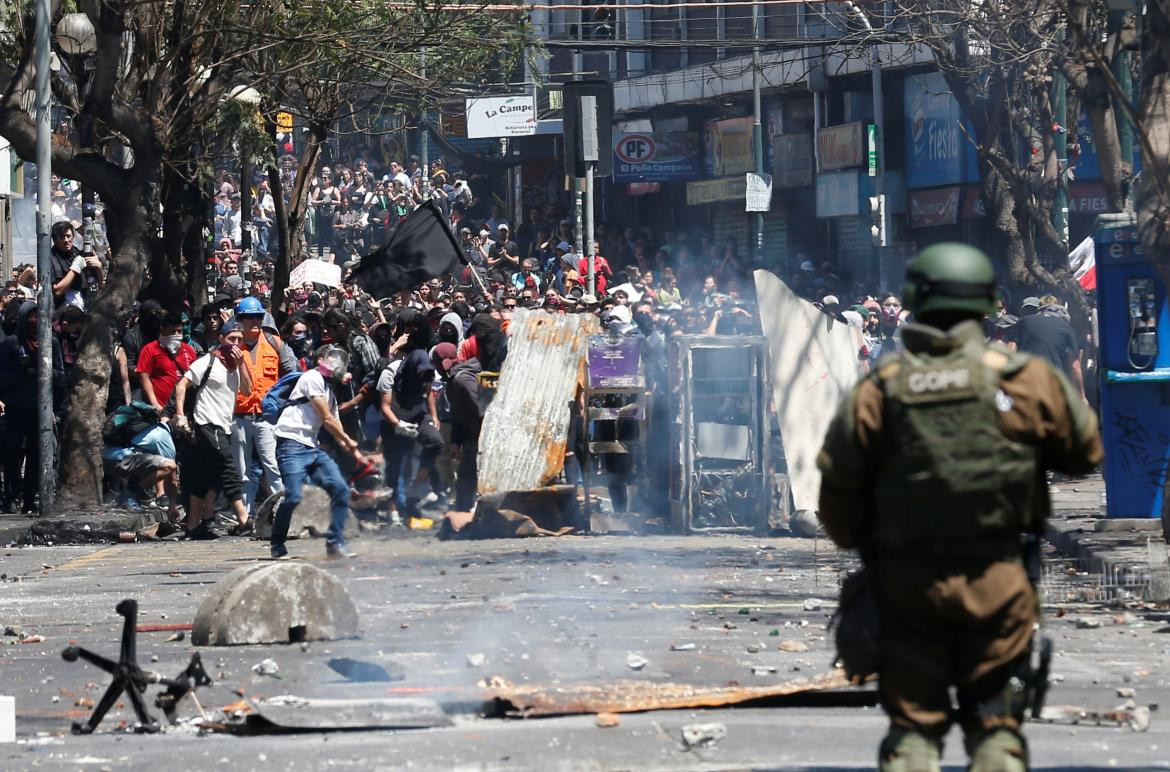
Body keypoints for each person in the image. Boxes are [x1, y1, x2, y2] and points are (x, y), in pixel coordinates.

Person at [816, 243, 1103, 772]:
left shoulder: (880, 389)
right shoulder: (1023, 379)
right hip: (999, 579)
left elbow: (836, 506)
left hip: (906, 586)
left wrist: (877, 543)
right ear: (989, 306)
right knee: (996, 731)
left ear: (912, 302)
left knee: (913, 734)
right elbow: (1085, 454)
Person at [270, 346, 367, 559]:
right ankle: (277, 543)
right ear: (321, 360)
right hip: (291, 444)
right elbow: (327, 419)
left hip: (312, 448)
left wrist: (356, 453)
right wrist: (349, 441)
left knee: (341, 490)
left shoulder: (329, 392)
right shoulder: (311, 377)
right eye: (331, 359)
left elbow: (336, 424)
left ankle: (335, 544)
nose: (336, 364)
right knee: (294, 496)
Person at [173, 320, 254, 539]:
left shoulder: (235, 366)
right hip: (206, 423)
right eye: (231, 339)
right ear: (221, 339)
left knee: (205, 475)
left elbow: (247, 391)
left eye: (239, 339)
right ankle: (243, 518)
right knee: (228, 466)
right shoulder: (207, 361)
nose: (235, 344)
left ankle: (193, 525)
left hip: (224, 425)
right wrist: (180, 414)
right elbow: (182, 384)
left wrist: (242, 364)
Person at [231, 297, 298, 516]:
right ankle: (245, 517)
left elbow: (291, 374)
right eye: (250, 317)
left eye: (258, 317)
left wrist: (282, 403)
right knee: (242, 471)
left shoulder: (274, 343)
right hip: (238, 417)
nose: (255, 321)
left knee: (273, 468)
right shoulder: (231, 344)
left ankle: (284, 513)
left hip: (267, 418)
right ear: (239, 320)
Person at [1015, 294, 1088, 406]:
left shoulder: (1024, 322)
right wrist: (1081, 396)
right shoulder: (1066, 328)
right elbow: (1075, 367)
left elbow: (1010, 348)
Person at [136, 311, 197, 411]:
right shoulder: (150, 349)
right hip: (161, 408)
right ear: (162, 330)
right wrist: (155, 404)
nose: (176, 335)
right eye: (172, 332)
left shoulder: (189, 350)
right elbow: (144, 377)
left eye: (179, 331)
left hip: (185, 409)